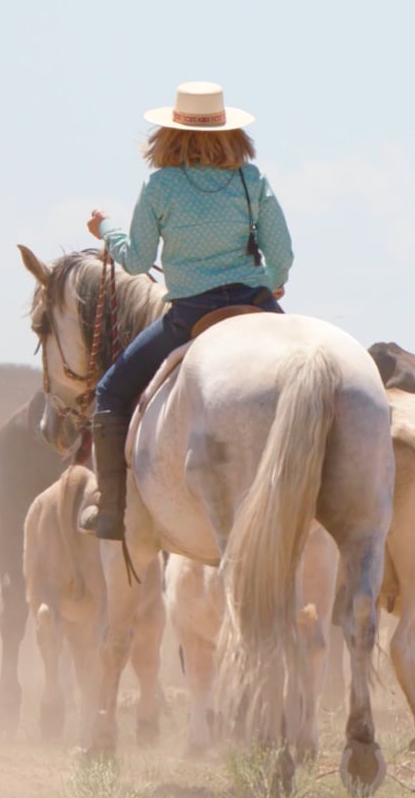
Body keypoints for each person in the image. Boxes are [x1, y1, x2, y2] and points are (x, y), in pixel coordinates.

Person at [82, 81, 293, 540]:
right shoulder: (251, 179)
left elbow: (137, 261)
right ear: (231, 132)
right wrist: (273, 279)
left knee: (111, 393)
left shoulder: (160, 187)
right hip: (257, 304)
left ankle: (110, 511)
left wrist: (107, 229)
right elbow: (282, 253)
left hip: (192, 313)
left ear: (170, 134)